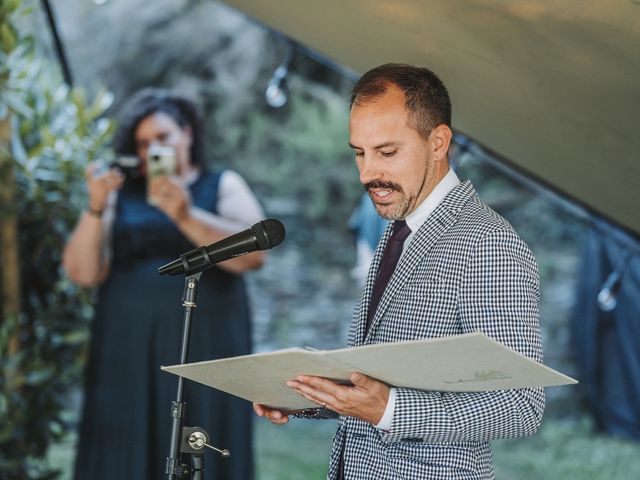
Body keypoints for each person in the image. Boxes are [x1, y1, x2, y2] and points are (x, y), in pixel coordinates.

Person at [254, 64, 545, 479]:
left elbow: (520, 405)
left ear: (438, 142)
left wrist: (389, 409)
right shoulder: (398, 227)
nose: (367, 173)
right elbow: (375, 382)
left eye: (387, 152)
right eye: (359, 152)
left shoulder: (488, 244)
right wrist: (309, 396)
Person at [64, 88, 263, 479]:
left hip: (207, 345)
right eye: (142, 143)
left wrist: (186, 215)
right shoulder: (120, 195)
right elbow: (83, 273)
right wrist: (96, 206)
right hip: (127, 349)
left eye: (162, 138)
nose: (152, 149)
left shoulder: (222, 184)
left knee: (200, 439)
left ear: (187, 133)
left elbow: (254, 255)